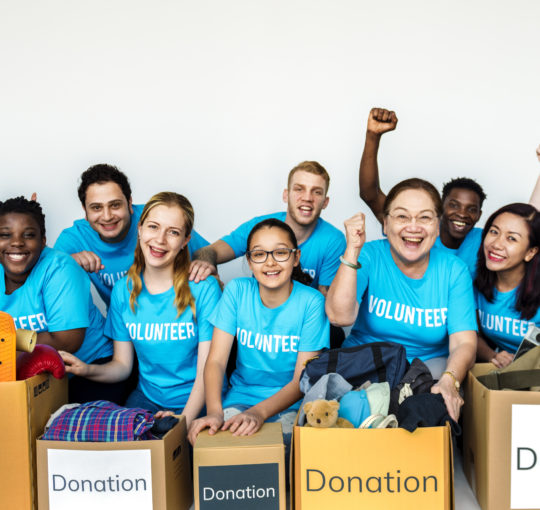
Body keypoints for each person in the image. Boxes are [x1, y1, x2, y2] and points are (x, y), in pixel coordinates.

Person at [61, 192, 221, 425]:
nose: (160, 239)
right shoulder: (122, 291)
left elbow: (208, 370)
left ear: (186, 240)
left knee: (173, 449)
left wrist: (182, 421)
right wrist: (85, 369)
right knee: (118, 447)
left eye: (173, 232)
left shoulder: (204, 288)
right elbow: (123, 367)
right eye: (153, 227)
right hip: (147, 399)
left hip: (201, 399)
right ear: (140, 229)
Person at [326, 179, 478, 421]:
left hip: (425, 372)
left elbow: (464, 343)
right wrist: (352, 250)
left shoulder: (453, 270)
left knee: (430, 414)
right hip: (366, 367)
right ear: (385, 224)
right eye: (402, 217)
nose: (413, 227)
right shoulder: (369, 255)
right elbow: (339, 316)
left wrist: (450, 380)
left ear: (437, 227)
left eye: (425, 218)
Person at [188, 218, 329, 446]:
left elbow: (300, 380)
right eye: (259, 254)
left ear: (296, 258)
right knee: (217, 446)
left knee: (278, 451)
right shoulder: (237, 291)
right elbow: (215, 361)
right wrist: (215, 411)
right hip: (241, 397)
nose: (270, 262)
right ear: (249, 261)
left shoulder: (311, 302)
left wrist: (260, 413)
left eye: (280, 253)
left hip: (289, 403)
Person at [0, 197, 116, 402]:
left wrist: (5, 341)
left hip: (90, 368)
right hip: (30, 370)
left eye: (28, 235)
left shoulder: (61, 268)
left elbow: (66, 340)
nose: (16, 243)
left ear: (43, 241)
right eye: (5, 235)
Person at [55, 164, 209, 307]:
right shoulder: (74, 238)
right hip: (124, 324)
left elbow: (208, 251)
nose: (107, 216)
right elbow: (43, 278)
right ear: (85, 211)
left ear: (129, 203)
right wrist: (69, 262)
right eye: (96, 208)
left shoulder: (155, 218)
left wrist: (204, 263)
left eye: (115, 205)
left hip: (176, 316)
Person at [358, 108, 486, 274]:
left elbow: (525, 235)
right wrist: (373, 137)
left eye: (471, 209)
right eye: (454, 205)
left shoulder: (484, 239)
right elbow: (370, 194)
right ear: (440, 207)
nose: (462, 214)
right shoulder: (419, 227)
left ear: (480, 215)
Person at [189, 161, 346, 296]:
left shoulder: (333, 240)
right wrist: (206, 267)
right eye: (299, 189)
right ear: (286, 195)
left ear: (325, 202)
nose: (307, 198)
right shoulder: (261, 226)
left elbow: (327, 304)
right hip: (256, 318)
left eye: (316, 192)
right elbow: (208, 251)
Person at [475, 203, 540, 368]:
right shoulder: (476, 284)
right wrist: (494, 356)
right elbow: (471, 336)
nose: (496, 244)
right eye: (494, 232)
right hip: (503, 374)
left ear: (530, 252)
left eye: (511, 238)